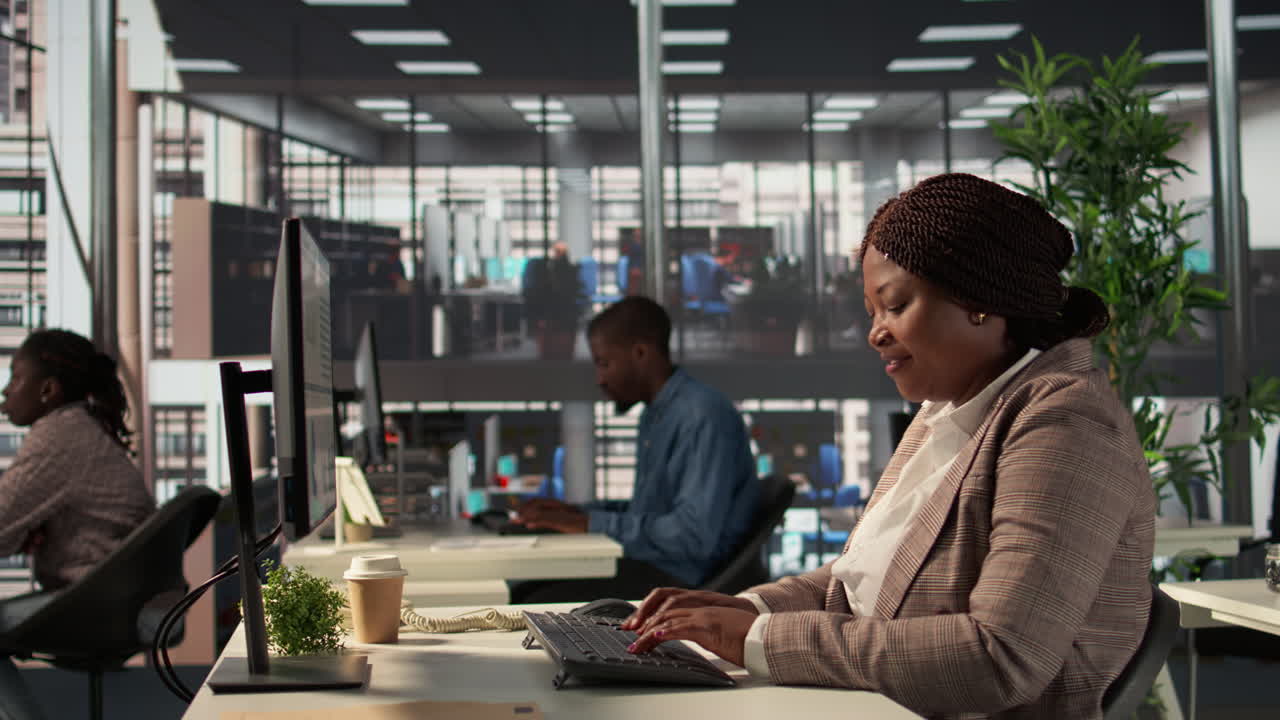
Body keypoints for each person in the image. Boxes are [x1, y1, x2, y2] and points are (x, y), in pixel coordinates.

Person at [622, 173, 1155, 719]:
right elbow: (858, 585)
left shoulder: (1066, 422)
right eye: (872, 312)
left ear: (980, 300)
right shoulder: (944, 410)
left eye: (896, 305)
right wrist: (745, 609)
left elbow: (1002, 657)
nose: (875, 333)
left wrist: (755, 638)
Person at [510, 296, 761, 603]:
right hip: (657, 567)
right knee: (525, 587)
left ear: (640, 353)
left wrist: (589, 524)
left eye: (604, 364)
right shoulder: (656, 414)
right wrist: (576, 513)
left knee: (531, 600)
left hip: (683, 582)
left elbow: (692, 536)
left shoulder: (701, 416)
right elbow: (648, 513)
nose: (600, 379)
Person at [0, 329, 155, 720]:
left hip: (98, 604)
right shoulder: (83, 428)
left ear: (48, 390)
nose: (6, 390)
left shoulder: (59, 434)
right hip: (122, 597)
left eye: (16, 378)